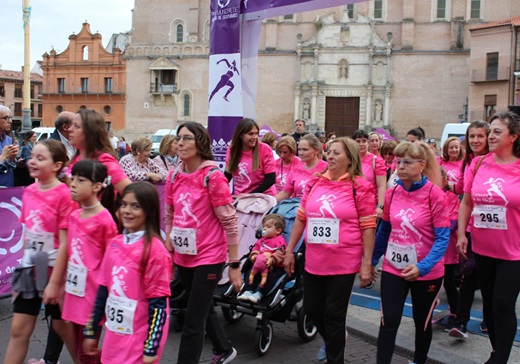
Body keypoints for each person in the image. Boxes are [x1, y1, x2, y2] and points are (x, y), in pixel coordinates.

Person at [284, 137, 377, 364]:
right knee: (313, 310)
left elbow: (368, 227)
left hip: (344, 261)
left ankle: (336, 359)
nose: (331, 156)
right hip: (314, 259)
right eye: (330, 152)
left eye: (337, 153)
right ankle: (336, 341)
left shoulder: (360, 186)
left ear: (350, 158)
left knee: (334, 316)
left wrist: (366, 263)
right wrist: (288, 250)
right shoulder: (315, 182)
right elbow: (301, 218)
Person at [164, 122, 242, 364]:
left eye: (187, 138)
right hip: (184, 254)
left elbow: (229, 221)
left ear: (201, 143)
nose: (180, 143)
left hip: (209, 256)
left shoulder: (213, 177)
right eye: (178, 138)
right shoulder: (174, 175)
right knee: (203, 307)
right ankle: (225, 348)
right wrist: (169, 242)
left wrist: (234, 263)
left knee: (193, 320)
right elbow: (170, 213)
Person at [372, 141, 449, 364]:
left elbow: (443, 238)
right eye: (398, 161)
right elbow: (384, 230)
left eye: (407, 162)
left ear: (422, 165)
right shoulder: (392, 193)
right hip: (393, 268)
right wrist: (371, 260)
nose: (400, 166)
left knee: (421, 322)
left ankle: (419, 360)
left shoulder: (435, 195)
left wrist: (423, 267)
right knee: (389, 321)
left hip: (426, 271)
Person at [4, 140, 78, 364]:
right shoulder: (30, 192)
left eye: (40, 158)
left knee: (64, 329)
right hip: (30, 270)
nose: (32, 161)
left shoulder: (65, 195)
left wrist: (55, 283)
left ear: (56, 165)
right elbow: (29, 237)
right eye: (32, 157)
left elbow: (66, 243)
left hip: (56, 270)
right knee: (18, 331)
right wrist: (21, 275)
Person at [83, 182, 172, 364]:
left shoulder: (155, 251)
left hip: (139, 337)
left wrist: (151, 346)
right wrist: (91, 330)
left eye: (136, 206)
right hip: (114, 336)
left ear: (149, 211)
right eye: (124, 204)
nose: (127, 211)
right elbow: (103, 290)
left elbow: (159, 304)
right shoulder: (115, 244)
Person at [457, 111, 520, 364]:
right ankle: (496, 351)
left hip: (514, 251)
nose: (490, 136)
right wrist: (462, 233)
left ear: (514, 136)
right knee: (491, 308)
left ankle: (499, 359)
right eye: (490, 131)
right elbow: (467, 203)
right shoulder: (479, 163)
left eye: (496, 132)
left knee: (503, 304)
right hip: (483, 247)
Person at [61, 160, 118, 363]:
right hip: (74, 292)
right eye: (73, 178)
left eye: (81, 180)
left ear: (96, 186)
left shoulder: (105, 220)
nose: (73, 183)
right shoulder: (74, 215)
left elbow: (111, 263)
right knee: (80, 351)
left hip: (94, 298)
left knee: (87, 352)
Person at [447, 120, 490, 341]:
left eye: (480, 136)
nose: (475, 140)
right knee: (468, 276)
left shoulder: (497, 161)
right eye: (471, 137)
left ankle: (488, 320)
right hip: (473, 226)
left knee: (491, 279)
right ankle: (461, 322)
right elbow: (463, 192)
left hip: (496, 232)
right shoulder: (468, 162)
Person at [68, 109, 131, 196]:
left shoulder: (104, 161)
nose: (70, 129)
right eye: (71, 125)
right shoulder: (77, 158)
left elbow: (130, 192)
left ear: (90, 133)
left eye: (76, 126)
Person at [238, 214, 287, 303]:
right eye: (264, 226)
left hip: (273, 266)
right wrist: (254, 254)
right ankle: (248, 290)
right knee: (250, 272)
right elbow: (256, 247)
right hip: (259, 263)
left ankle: (260, 293)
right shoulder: (262, 240)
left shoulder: (279, 241)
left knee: (270, 277)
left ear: (278, 230)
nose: (264, 229)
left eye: (268, 227)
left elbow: (280, 254)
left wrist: (272, 259)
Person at [225, 118, 276, 196]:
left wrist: (250, 195)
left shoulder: (264, 149)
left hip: (263, 197)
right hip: (241, 197)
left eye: (256, 133)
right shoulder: (232, 150)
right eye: (251, 134)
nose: (255, 137)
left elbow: (271, 179)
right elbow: (227, 175)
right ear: (241, 135)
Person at [439, 166, 461, 332]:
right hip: (428, 247)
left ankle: (456, 313)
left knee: (448, 282)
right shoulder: (426, 195)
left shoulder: (451, 197)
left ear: (445, 180)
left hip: (446, 248)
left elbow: (453, 222)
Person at [275, 134, 327, 202]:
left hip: (316, 209)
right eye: (299, 149)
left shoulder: (326, 168)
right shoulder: (296, 168)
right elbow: (285, 193)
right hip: (297, 208)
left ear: (316, 150)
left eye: (305, 150)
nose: (301, 153)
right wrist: (269, 202)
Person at [352, 129, 387, 219]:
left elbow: (381, 186)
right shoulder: (349, 160)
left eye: (364, 141)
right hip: (351, 204)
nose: (361, 144)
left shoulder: (376, 161)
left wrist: (380, 206)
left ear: (368, 143)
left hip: (370, 206)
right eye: (358, 141)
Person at [0, 105, 18, 187]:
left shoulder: (9, 140)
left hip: (8, 189)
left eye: (10, 117)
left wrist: (13, 159)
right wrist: (3, 157)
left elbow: (10, 168)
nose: (10, 121)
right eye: (5, 118)